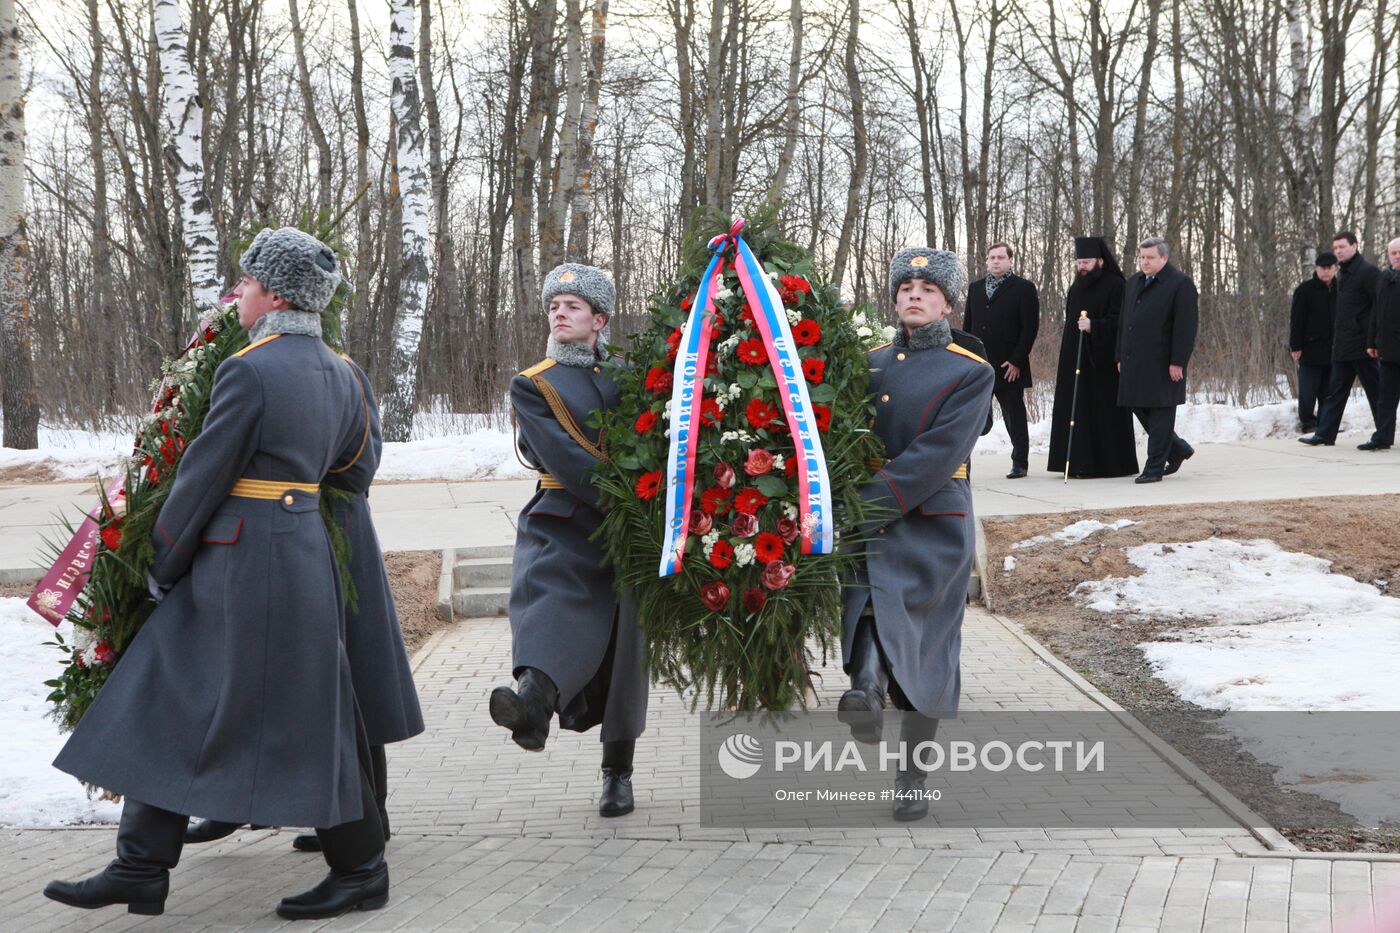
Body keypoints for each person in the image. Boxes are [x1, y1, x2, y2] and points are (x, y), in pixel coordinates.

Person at [44, 228, 391, 920]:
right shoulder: (343, 371)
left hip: (239, 559)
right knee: (266, 702)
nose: (240, 295)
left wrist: (163, 561)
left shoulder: (251, 369)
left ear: (278, 295)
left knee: (185, 688)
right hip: (298, 554)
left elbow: (203, 478)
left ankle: (360, 869)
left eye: (250, 284)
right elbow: (357, 469)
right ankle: (142, 863)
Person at [182, 357, 425, 853]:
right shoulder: (256, 369)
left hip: (334, 528)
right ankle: (235, 804)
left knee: (350, 674)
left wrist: (297, 479)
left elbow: (360, 465)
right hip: (293, 531)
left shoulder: (342, 372)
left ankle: (368, 814)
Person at [837, 247, 995, 821]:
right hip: (867, 517)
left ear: (948, 303)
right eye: (906, 287)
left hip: (932, 518)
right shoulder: (869, 361)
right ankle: (867, 692)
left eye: (928, 289)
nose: (914, 295)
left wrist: (860, 505)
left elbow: (936, 455)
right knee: (869, 604)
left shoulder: (969, 370)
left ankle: (912, 774)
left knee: (929, 645)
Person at [490, 263, 648, 818]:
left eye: (573, 306)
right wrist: (630, 500)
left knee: (625, 650)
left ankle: (617, 773)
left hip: (628, 530)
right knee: (547, 610)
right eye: (554, 305)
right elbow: (568, 461)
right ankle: (532, 705)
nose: (559, 313)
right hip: (562, 517)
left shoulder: (634, 375)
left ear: (599, 320)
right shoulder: (535, 382)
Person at [1047, 236, 1139, 478]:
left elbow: (1120, 322)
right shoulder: (1076, 288)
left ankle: (1109, 465)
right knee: (1075, 408)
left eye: (1086, 262)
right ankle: (1077, 463)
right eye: (1078, 262)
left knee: (1103, 412)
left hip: (1103, 362)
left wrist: (1094, 326)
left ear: (1100, 260)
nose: (1082, 267)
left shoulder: (1116, 285)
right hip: (1074, 357)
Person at [1116, 237, 1198, 484]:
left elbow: (1186, 326)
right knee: (1137, 405)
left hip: (1163, 363)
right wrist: (1119, 356)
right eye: (1142, 257)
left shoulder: (1180, 284)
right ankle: (1178, 448)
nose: (1145, 262)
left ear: (1164, 258)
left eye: (1150, 257)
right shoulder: (1133, 282)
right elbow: (1123, 323)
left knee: (1161, 412)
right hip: (1134, 361)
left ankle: (1154, 468)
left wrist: (1178, 361)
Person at [961, 242, 1040, 478]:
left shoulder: (1024, 288)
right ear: (986, 260)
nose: (996, 261)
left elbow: (1030, 328)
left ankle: (1020, 462)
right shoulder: (975, 288)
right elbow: (968, 327)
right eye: (992, 257)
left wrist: (1017, 360)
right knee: (972, 417)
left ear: (1010, 260)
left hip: (1008, 365)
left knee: (1013, 415)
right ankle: (963, 462)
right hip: (979, 363)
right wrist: (966, 357)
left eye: (1000, 257)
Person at [1301, 232, 1382, 448]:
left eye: (1342, 247)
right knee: (1335, 392)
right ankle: (1325, 433)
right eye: (1335, 247)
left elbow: (1378, 307)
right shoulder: (1343, 273)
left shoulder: (1368, 272)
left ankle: (1383, 434)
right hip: (1343, 345)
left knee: (1375, 391)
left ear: (1355, 246)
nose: (1338, 251)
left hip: (1363, 345)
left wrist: (1373, 340)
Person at [1289, 252, 1339, 434]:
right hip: (1310, 347)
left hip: (1334, 349)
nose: (1326, 272)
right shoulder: (1305, 290)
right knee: (1308, 389)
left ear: (1336, 268)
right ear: (1316, 269)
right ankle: (1308, 422)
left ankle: (1326, 423)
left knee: (1329, 390)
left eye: (1329, 268)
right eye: (1322, 268)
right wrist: (1296, 346)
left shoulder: (1341, 289)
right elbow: (1296, 319)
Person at [1365, 237, 1400, 451]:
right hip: (1388, 350)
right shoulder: (1384, 278)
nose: (1397, 257)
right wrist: (1372, 341)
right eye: (1393, 253)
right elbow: (1376, 311)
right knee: (1385, 398)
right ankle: (1382, 437)